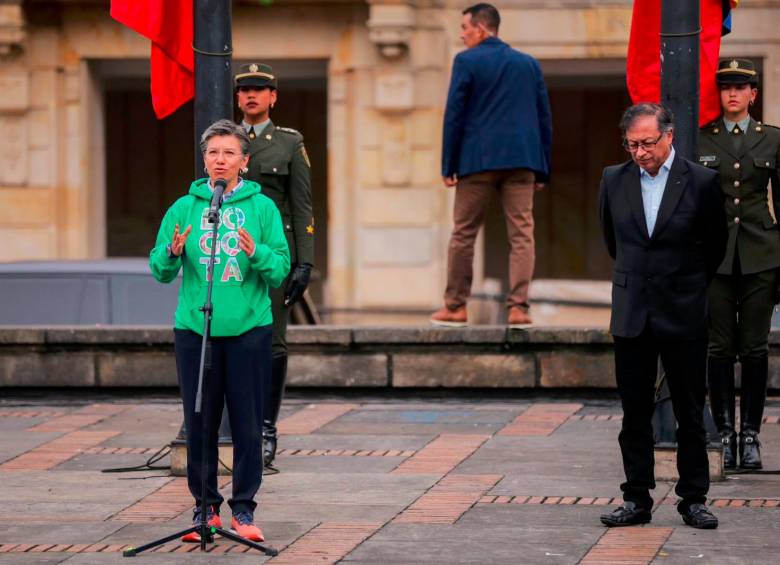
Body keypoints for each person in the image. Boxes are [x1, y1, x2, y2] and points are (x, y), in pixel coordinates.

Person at [150, 119, 290, 542]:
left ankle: (243, 512)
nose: (220, 160)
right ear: (204, 159)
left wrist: (258, 251)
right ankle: (205, 509)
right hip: (197, 329)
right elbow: (158, 268)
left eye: (229, 153)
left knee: (247, 424)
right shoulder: (184, 207)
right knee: (200, 422)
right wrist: (173, 252)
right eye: (213, 153)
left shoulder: (262, 207)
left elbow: (280, 269)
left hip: (249, 330)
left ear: (244, 162)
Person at [598, 103, 727, 529]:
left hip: (684, 309)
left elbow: (715, 247)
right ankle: (636, 499)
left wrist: (683, 283)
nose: (640, 152)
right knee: (633, 412)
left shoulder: (703, 181)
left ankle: (693, 499)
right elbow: (613, 242)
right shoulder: (613, 180)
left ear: (668, 136)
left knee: (690, 412)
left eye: (648, 143)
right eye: (632, 144)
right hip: (633, 310)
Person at [430, 3, 552, 329]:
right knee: (522, 235)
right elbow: (544, 118)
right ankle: (518, 309)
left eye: (465, 29)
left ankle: (455, 307)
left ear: (482, 29)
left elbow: (454, 114)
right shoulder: (528, 64)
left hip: (477, 161)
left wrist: (448, 164)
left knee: (463, 234)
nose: (461, 34)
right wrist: (543, 167)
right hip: (522, 161)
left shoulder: (466, 61)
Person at [699, 59, 780, 470]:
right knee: (718, 348)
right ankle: (724, 433)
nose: (732, 93)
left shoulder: (772, 140)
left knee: (753, 349)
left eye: (740, 87)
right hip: (715, 258)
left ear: (753, 94)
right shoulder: (701, 139)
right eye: (725, 87)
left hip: (761, 254)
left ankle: (750, 435)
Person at [234, 63, 314, 468]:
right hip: (230, 254)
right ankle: (234, 427)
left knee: (273, 344)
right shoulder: (225, 141)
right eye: (245, 90)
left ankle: (266, 428)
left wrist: (305, 262)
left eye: (259, 90)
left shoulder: (288, 143)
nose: (251, 96)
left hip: (273, 256)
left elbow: (301, 207)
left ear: (273, 97)